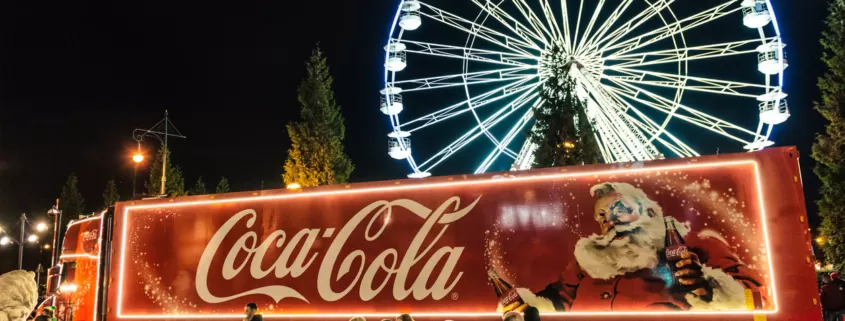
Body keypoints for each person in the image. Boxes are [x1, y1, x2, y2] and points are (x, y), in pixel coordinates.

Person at [504, 182, 766, 312]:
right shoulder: (588, 259)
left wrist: (709, 286)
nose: (611, 221)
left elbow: (757, 300)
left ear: (649, 211)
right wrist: (524, 307)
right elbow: (558, 300)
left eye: (621, 209)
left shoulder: (694, 243)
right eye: (603, 216)